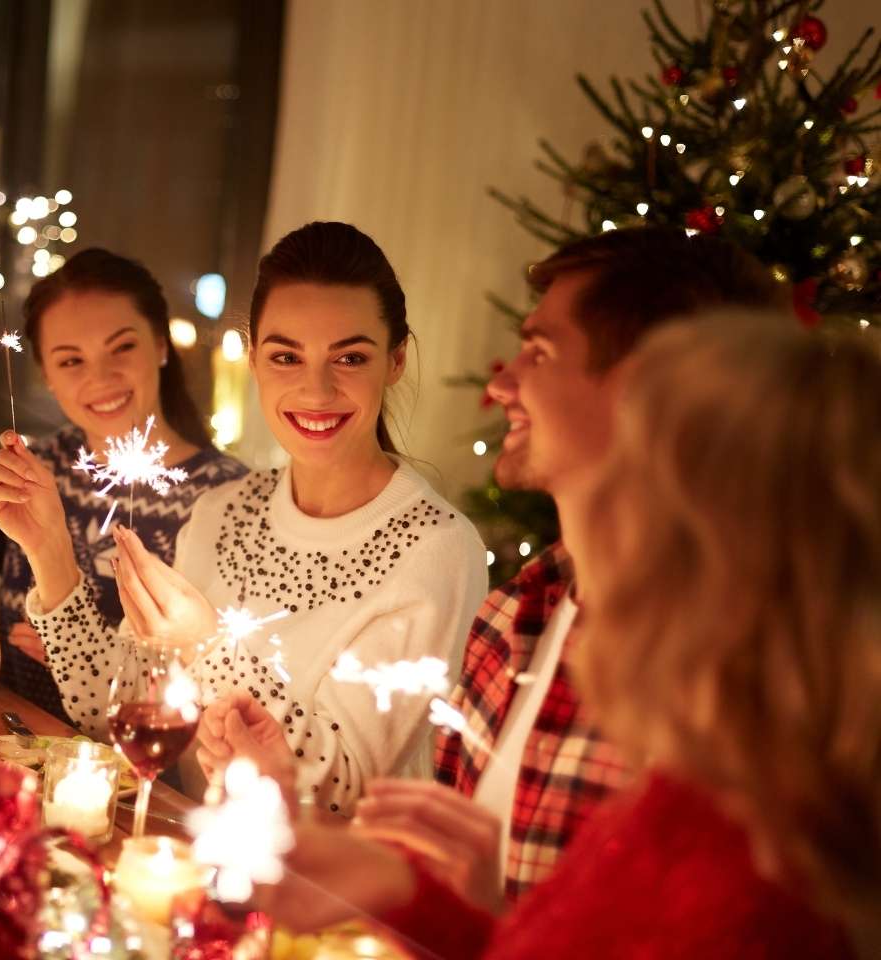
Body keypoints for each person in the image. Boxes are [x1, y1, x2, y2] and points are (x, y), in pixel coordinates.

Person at [194, 226, 789, 906]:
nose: (501, 382)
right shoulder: (515, 619)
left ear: (654, 385)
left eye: (539, 351)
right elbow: (480, 915)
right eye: (286, 355)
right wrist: (287, 796)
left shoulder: (745, 672)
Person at [266, 318, 877, 959]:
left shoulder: (733, 870)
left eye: (624, 477)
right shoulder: (702, 789)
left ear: (718, 550)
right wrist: (402, 892)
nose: (592, 519)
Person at [0, 222, 487, 812]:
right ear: (253, 358)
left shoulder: (435, 547)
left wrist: (206, 646)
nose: (317, 389)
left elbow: (342, 793)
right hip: (195, 856)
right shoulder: (226, 508)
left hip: (318, 889)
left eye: (350, 357)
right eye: (286, 356)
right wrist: (50, 555)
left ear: (397, 359)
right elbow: (113, 711)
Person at [0, 248, 246, 722]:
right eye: (71, 361)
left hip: (134, 773)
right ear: (47, 375)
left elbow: (225, 682)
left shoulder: (228, 499)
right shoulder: (40, 468)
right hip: (13, 744)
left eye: (123, 347)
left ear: (160, 344)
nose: (101, 377)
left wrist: (83, 655)